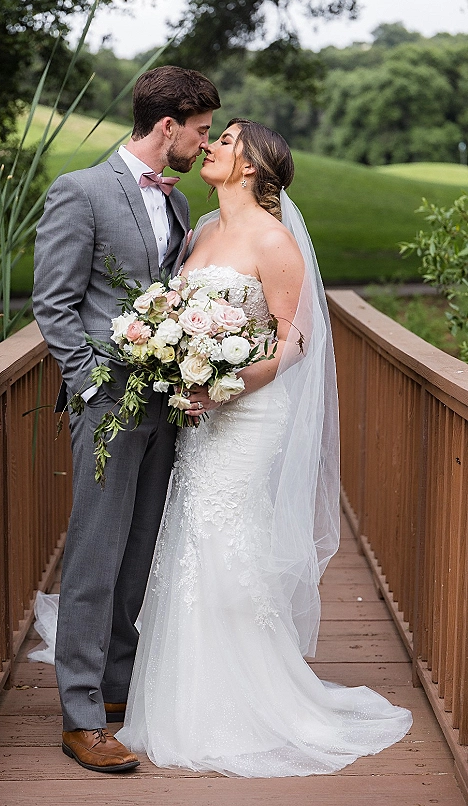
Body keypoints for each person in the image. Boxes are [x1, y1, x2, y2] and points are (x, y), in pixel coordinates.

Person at [116, 118, 413, 776]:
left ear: (249, 165)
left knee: (228, 542)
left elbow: (295, 341)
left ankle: (250, 702)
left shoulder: (275, 240)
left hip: (250, 416)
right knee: (188, 539)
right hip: (199, 416)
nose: (212, 147)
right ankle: (181, 700)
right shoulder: (201, 233)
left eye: (223, 140)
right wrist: (173, 363)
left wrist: (229, 384)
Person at [32, 66, 221, 773]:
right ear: (168, 123)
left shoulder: (172, 207)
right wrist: (88, 390)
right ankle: (80, 714)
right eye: (200, 131)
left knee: (138, 550)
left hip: (163, 406)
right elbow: (53, 303)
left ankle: (116, 688)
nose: (203, 147)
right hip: (107, 405)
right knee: (94, 553)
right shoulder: (80, 191)